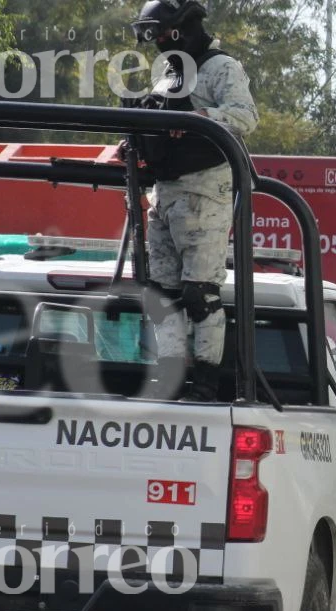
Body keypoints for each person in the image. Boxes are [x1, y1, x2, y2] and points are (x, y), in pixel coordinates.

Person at [128, 0, 258, 401]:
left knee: (199, 293)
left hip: (204, 191)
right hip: (164, 193)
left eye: (162, 33)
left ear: (183, 29)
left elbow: (245, 118)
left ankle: (204, 380)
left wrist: (199, 117)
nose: (158, 43)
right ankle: (166, 375)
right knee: (162, 295)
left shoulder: (221, 68)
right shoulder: (167, 75)